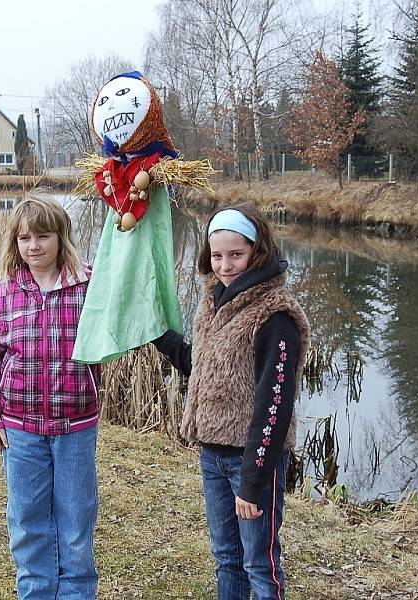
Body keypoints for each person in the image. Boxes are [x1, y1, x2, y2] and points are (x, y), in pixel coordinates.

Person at [153, 203, 310, 600]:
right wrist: (159, 336)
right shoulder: (216, 301)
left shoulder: (275, 318)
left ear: (258, 252)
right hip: (212, 454)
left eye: (236, 254)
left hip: (252, 461)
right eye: (217, 255)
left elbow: (274, 405)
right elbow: (206, 368)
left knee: (259, 562)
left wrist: (253, 483)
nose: (225, 265)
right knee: (226, 556)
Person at [0, 196, 101, 600]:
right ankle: (35, 591)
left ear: (60, 237)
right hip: (20, 430)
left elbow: (122, 324)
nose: (34, 246)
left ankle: (77, 593)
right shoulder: (2, 295)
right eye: (25, 238)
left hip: (75, 428)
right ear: (14, 243)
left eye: (43, 236)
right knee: (28, 520)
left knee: (76, 521)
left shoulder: (91, 285)